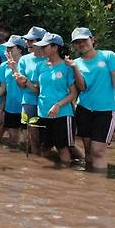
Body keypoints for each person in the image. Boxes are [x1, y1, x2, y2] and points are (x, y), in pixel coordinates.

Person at [24, 33, 81, 165]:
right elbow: (38, 90)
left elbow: (73, 94)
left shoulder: (67, 66)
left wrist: (58, 105)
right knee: (44, 148)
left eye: (44, 46)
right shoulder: (41, 66)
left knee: (63, 149)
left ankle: (67, 178)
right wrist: (25, 81)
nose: (41, 49)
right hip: (43, 113)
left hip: (62, 114)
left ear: (55, 47)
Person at [71, 27, 115, 171]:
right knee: (88, 151)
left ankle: (100, 186)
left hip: (105, 111)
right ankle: (89, 186)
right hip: (84, 110)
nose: (81, 44)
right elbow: (80, 88)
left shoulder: (108, 56)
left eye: (84, 40)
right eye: (77, 42)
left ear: (92, 40)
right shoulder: (75, 63)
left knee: (98, 151)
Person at [14, 26, 47, 154]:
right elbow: (21, 85)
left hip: (47, 102)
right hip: (28, 100)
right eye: (27, 40)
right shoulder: (24, 59)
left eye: (31, 40)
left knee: (49, 137)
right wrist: (22, 79)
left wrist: (27, 81)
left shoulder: (49, 59)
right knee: (33, 138)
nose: (27, 43)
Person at [0, 35, 26, 146]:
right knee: (13, 139)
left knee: (27, 140)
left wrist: (14, 68)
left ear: (19, 49)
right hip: (11, 107)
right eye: (7, 48)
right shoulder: (3, 66)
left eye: (11, 48)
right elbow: (3, 87)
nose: (7, 50)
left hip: (25, 106)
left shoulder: (26, 64)